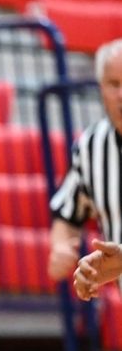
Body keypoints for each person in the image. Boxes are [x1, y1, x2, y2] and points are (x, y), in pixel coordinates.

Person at [48, 38, 122, 283]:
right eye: (114, 84)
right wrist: (60, 247)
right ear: (101, 87)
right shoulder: (91, 145)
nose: (121, 94)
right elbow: (68, 212)